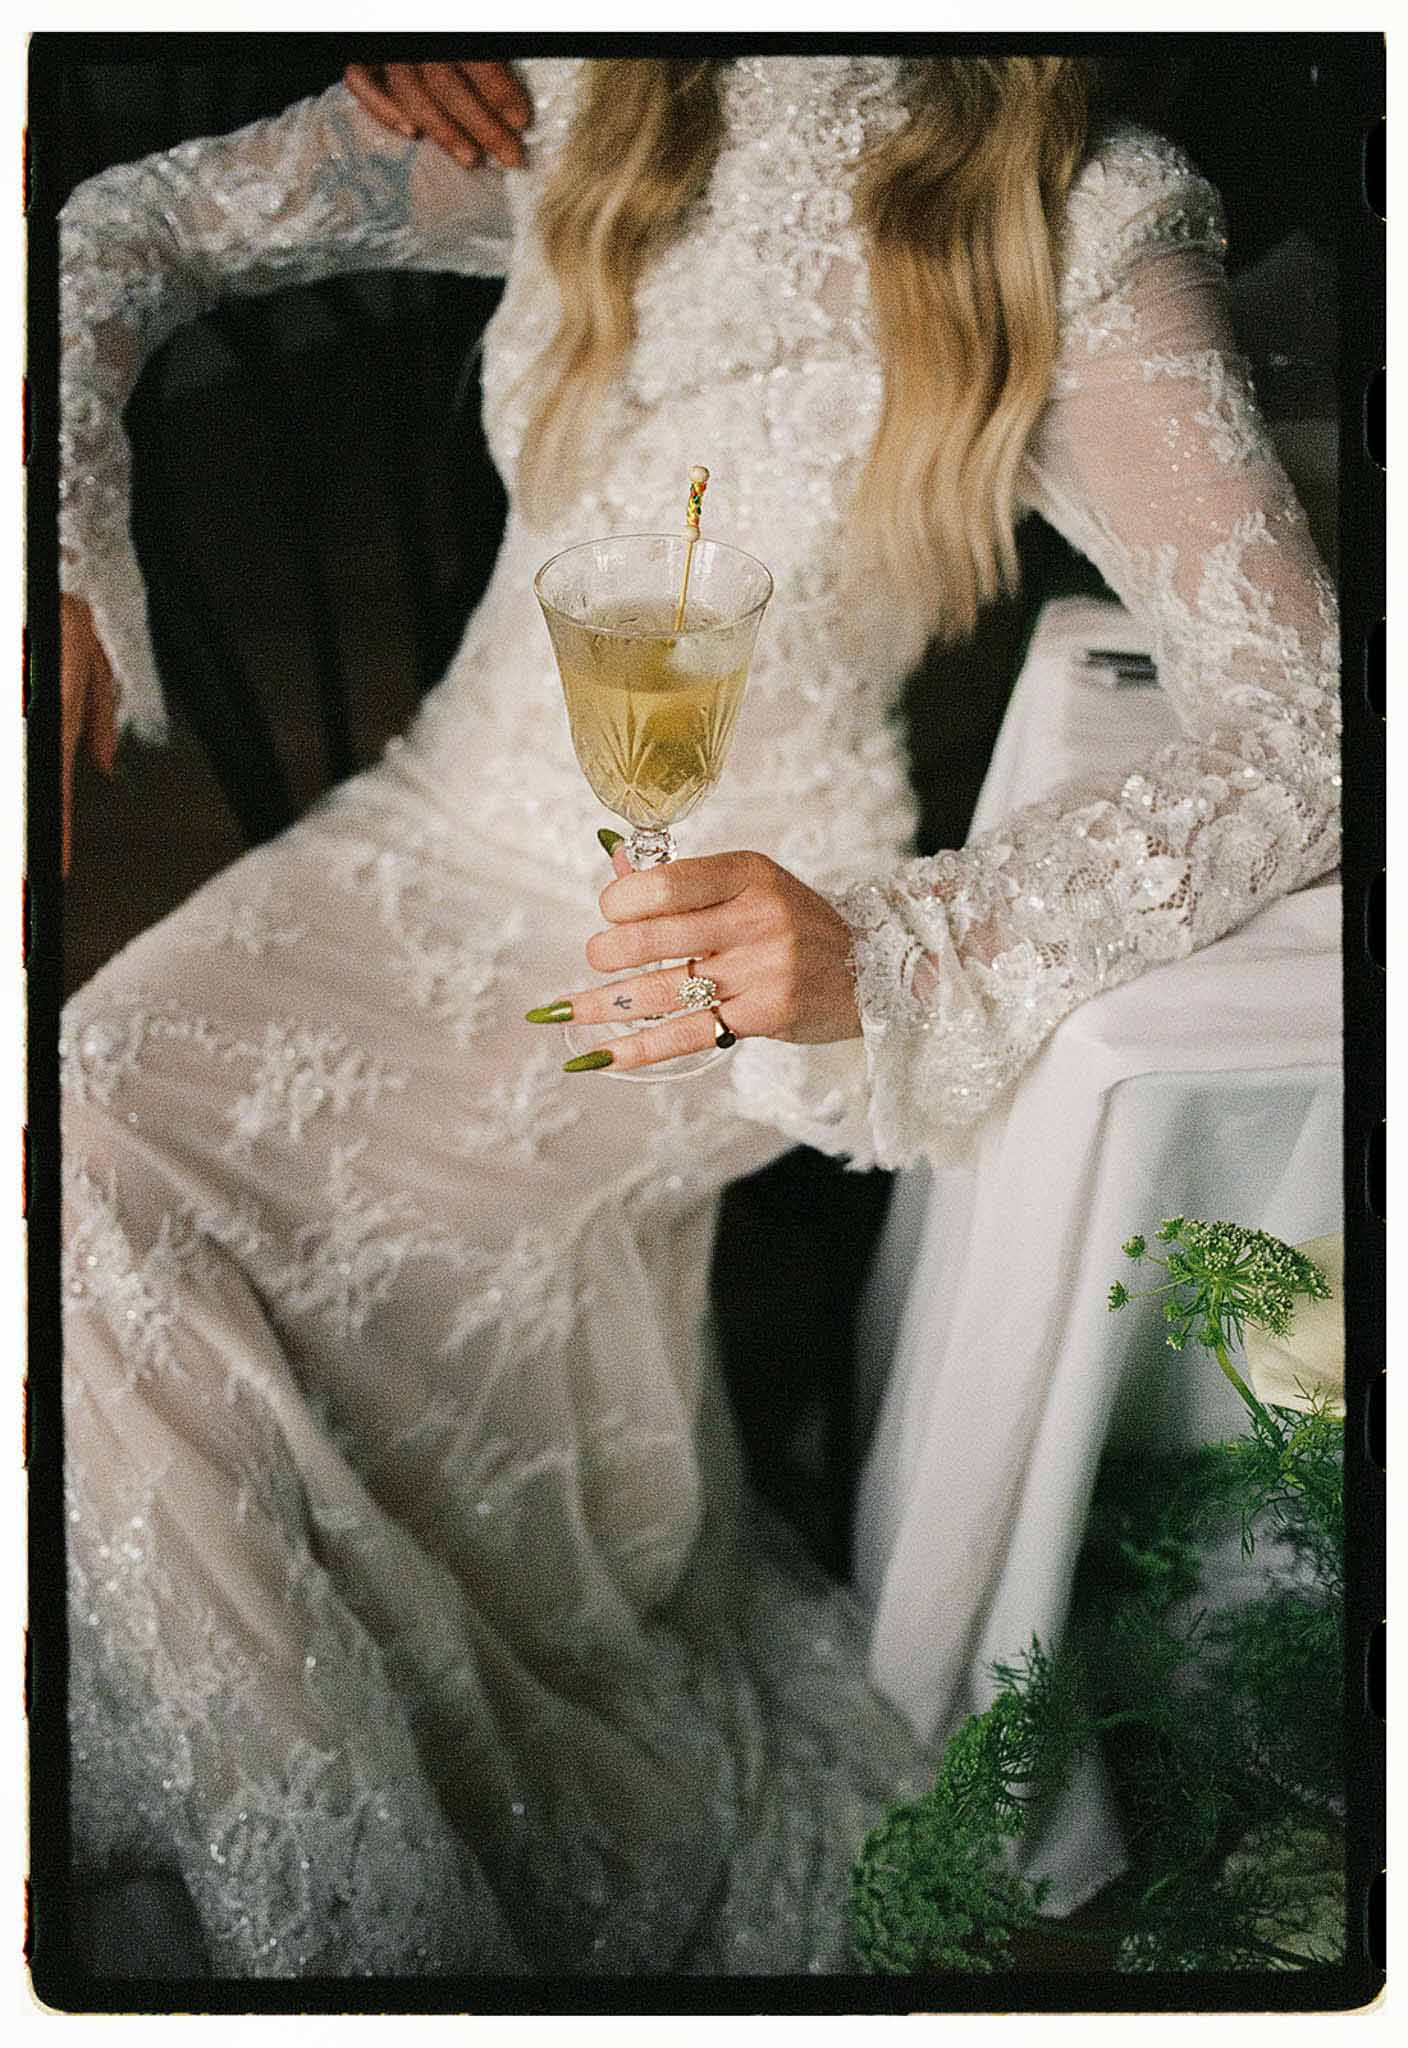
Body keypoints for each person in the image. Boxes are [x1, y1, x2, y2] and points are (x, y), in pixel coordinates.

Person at [57, 53, 1340, 1978]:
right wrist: (45, 528)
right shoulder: (584, 89)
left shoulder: (1075, 209)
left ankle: (358, 1952)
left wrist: (907, 951)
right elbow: (110, 226)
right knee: (71, 1124)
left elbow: (1311, 722)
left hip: (726, 927)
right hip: (424, 829)